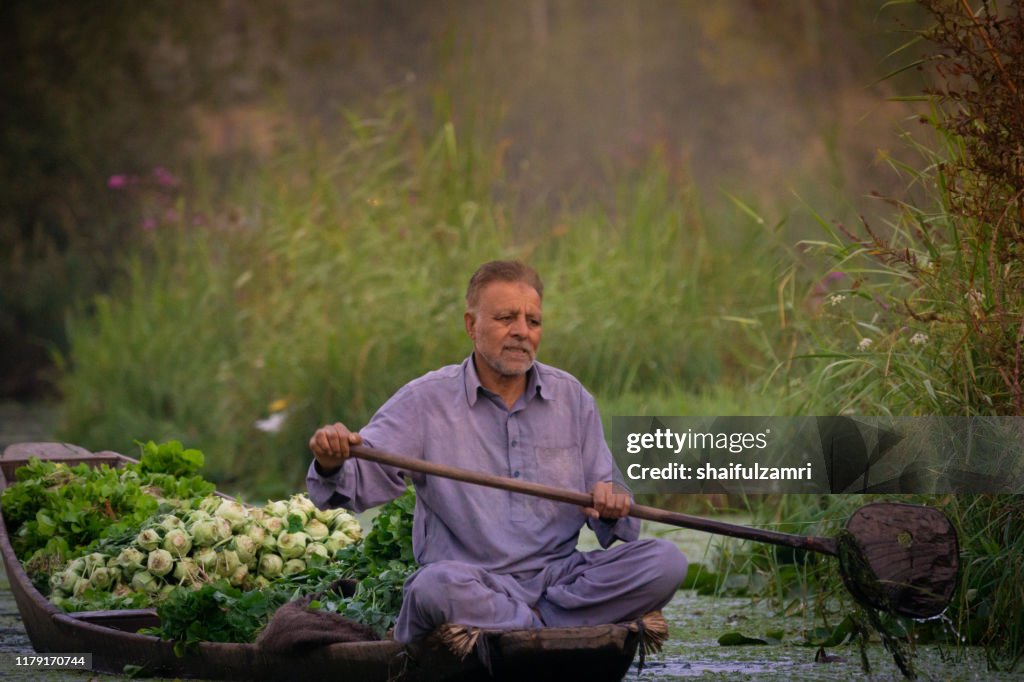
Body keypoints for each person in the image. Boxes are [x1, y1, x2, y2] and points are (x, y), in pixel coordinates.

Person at [307, 260, 687, 644]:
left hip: (561, 583)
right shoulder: (426, 400)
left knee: (665, 563)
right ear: (472, 326)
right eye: (506, 318)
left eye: (533, 322)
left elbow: (612, 497)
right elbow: (354, 483)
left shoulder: (571, 397)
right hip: (472, 585)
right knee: (432, 587)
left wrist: (612, 500)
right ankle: (541, 629)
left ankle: (528, 625)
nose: (522, 332)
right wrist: (331, 460)